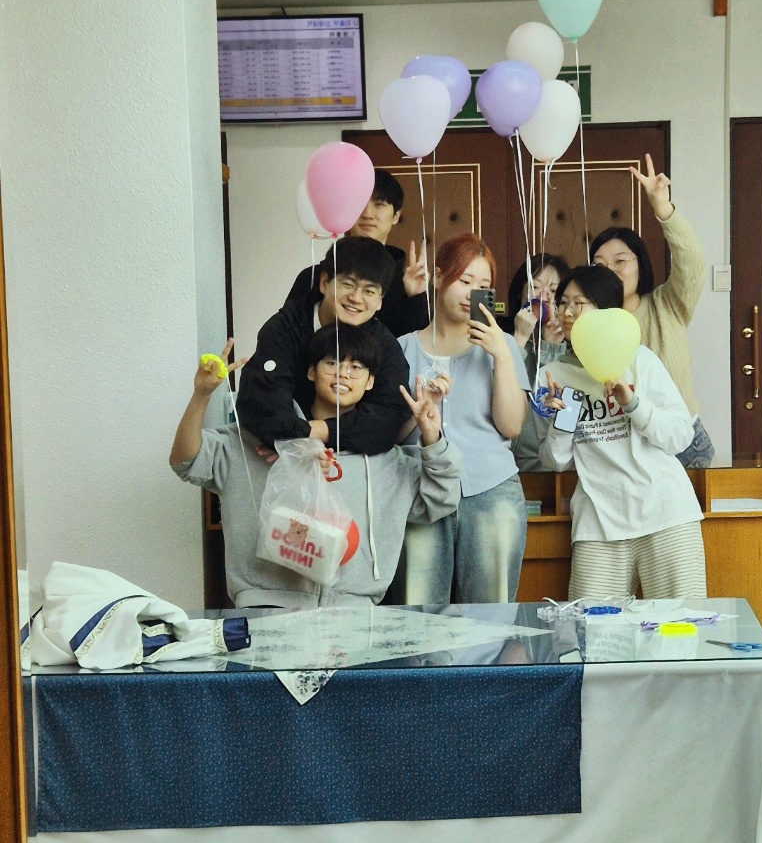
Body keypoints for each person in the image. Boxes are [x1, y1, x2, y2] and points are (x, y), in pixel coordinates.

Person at [170, 328, 461, 609]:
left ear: (371, 381)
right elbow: (186, 461)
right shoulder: (258, 442)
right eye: (332, 363)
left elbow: (440, 500)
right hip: (264, 606)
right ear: (311, 371)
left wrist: (431, 437)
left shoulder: (387, 460)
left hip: (354, 612)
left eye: (356, 367)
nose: (343, 373)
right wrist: (201, 395)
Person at [534, 265, 707, 600]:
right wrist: (564, 416)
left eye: (578, 304)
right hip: (599, 523)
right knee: (592, 629)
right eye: (562, 303)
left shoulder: (639, 360)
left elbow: (679, 436)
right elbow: (556, 461)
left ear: (606, 311)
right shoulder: (552, 375)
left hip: (666, 513)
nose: (566, 313)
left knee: (681, 624)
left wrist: (633, 404)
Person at [398, 233, 530, 604]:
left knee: (491, 615)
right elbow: (390, 434)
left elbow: (511, 426)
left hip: (491, 488)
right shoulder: (402, 347)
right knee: (418, 613)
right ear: (439, 277)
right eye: (464, 280)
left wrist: (501, 355)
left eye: (483, 285)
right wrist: (421, 410)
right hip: (420, 492)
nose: (472, 292)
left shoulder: (501, 347)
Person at [589, 154, 715, 468]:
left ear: (640, 264)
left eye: (620, 261)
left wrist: (663, 208)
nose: (610, 270)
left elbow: (692, 265)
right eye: (600, 265)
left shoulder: (666, 304)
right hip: (624, 449)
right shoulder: (590, 323)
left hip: (682, 443)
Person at [237, 237, 409, 455]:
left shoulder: (384, 344)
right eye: (348, 284)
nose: (356, 298)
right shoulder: (285, 328)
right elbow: (262, 400)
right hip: (280, 460)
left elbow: (389, 416)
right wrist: (291, 442)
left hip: (352, 462)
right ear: (324, 282)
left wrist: (317, 433)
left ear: (381, 300)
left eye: (369, 291)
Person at [286, 169, 430, 339]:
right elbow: (286, 333)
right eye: (359, 204)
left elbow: (412, 347)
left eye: (379, 204)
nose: (367, 214)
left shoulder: (406, 282)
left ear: (396, 216)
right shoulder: (313, 276)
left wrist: (415, 298)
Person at [502, 250, 571, 472]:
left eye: (553, 291)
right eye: (535, 287)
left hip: (547, 464)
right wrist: (519, 339)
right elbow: (502, 388)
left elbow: (550, 404)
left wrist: (551, 348)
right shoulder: (500, 336)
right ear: (520, 293)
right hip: (504, 461)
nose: (543, 297)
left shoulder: (573, 346)